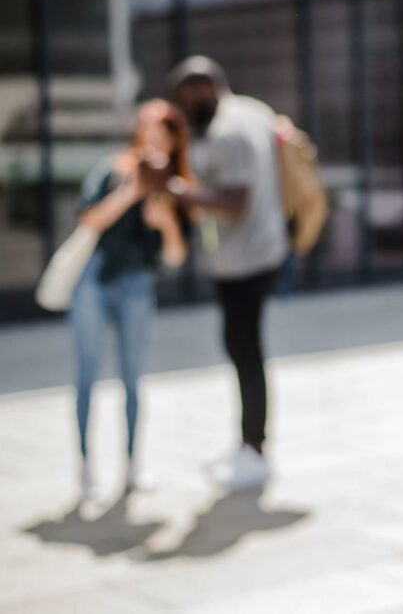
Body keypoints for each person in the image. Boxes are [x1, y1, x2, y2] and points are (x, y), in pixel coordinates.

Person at [165, 56, 289, 492]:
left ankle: (254, 447)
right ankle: (250, 443)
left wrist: (182, 193)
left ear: (205, 90)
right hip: (262, 251)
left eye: (186, 100)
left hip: (245, 260)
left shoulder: (228, 130)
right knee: (244, 347)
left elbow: (235, 200)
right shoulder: (253, 110)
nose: (184, 111)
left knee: (244, 349)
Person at [72, 99, 193, 500]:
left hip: (138, 284)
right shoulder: (113, 170)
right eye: (150, 133)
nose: (155, 143)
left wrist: (165, 222)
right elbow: (88, 220)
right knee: (87, 374)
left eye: (164, 136)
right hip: (96, 279)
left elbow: (176, 256)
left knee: (132, 378)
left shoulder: (174, 186)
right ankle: (86, 465)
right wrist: (129, 193)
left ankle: (131, 465)